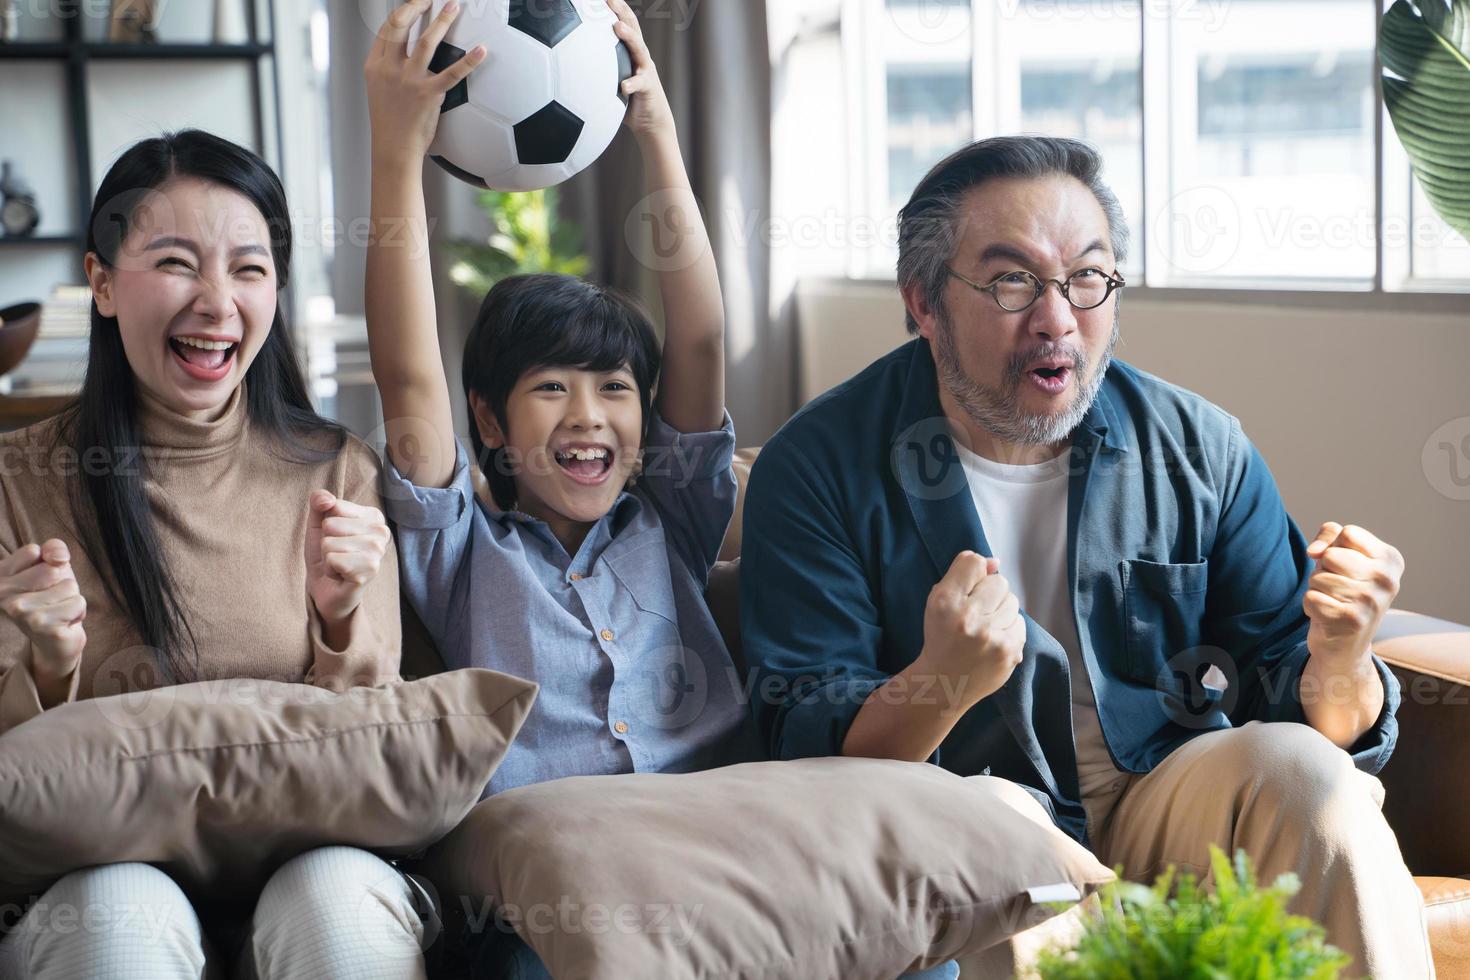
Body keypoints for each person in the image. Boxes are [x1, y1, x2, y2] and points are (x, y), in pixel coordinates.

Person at [740, 135, 1432, 978]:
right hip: (975, 797)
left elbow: (1300, 696)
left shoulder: (1197, 447)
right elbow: (804, 744)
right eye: (1012, 281)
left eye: (1087, 278)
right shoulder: (818, 464)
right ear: (924, 302)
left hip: (1163, 792)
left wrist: (1343, 655)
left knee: (1304, 772)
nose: (1057, 318)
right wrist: (940, 681)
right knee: (986, 830)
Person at [361, 2, 773, 975]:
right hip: (549, 880)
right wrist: (395, 150)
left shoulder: (669, 517)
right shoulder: (462, 551)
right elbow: (409, 380)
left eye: (615, 389)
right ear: (493, 424)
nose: (589, 414)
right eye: (551, 388)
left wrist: (660, 136)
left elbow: (704, 340)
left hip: (714, 848)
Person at [0, 131, 432, 979]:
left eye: (249, 267)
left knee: (337, 910)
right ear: (99, 283)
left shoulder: (338, 468)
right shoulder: (16, 481)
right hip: (88, 875)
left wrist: (341, 619)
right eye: (175, 262)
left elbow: (374, 750)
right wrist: (46, 667)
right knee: (117, 921)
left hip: (311, 857)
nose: (216, 302)